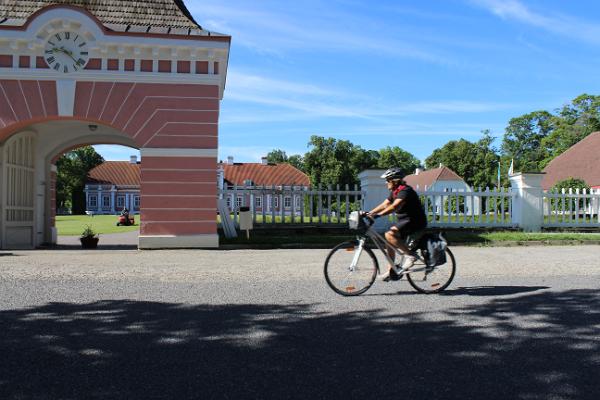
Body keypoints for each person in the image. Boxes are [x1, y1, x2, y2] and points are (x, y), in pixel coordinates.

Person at [366, 168, 427, 281]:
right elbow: (385, 204)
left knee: (389, 235)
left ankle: (410, 255)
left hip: (415, 222)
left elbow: (394, 206)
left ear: (394, 180)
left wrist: (377, 216)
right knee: (388, 241)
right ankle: (391, 270)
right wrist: (370, 213)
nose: (386, 183)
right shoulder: (395, 192)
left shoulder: (405, 191)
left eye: (387, 180)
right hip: (405, 221)